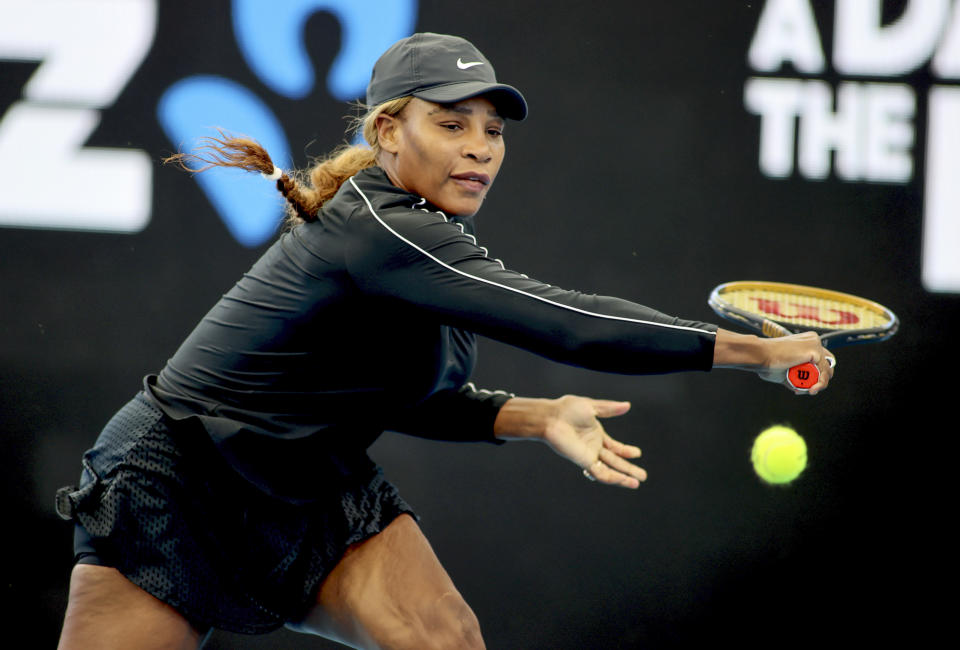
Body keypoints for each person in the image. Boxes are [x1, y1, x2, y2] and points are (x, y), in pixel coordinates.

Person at [55, 32, 834, 649]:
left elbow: (420, 401)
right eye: (452, 123)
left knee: (447, 639)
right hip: (181, 482)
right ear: (388, 130)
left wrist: (538, 415)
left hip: (312, 487)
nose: (480, 147)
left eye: (492, 131)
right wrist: (755, 352)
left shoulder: (425, 246)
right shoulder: (382, 228)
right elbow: (569, 321)